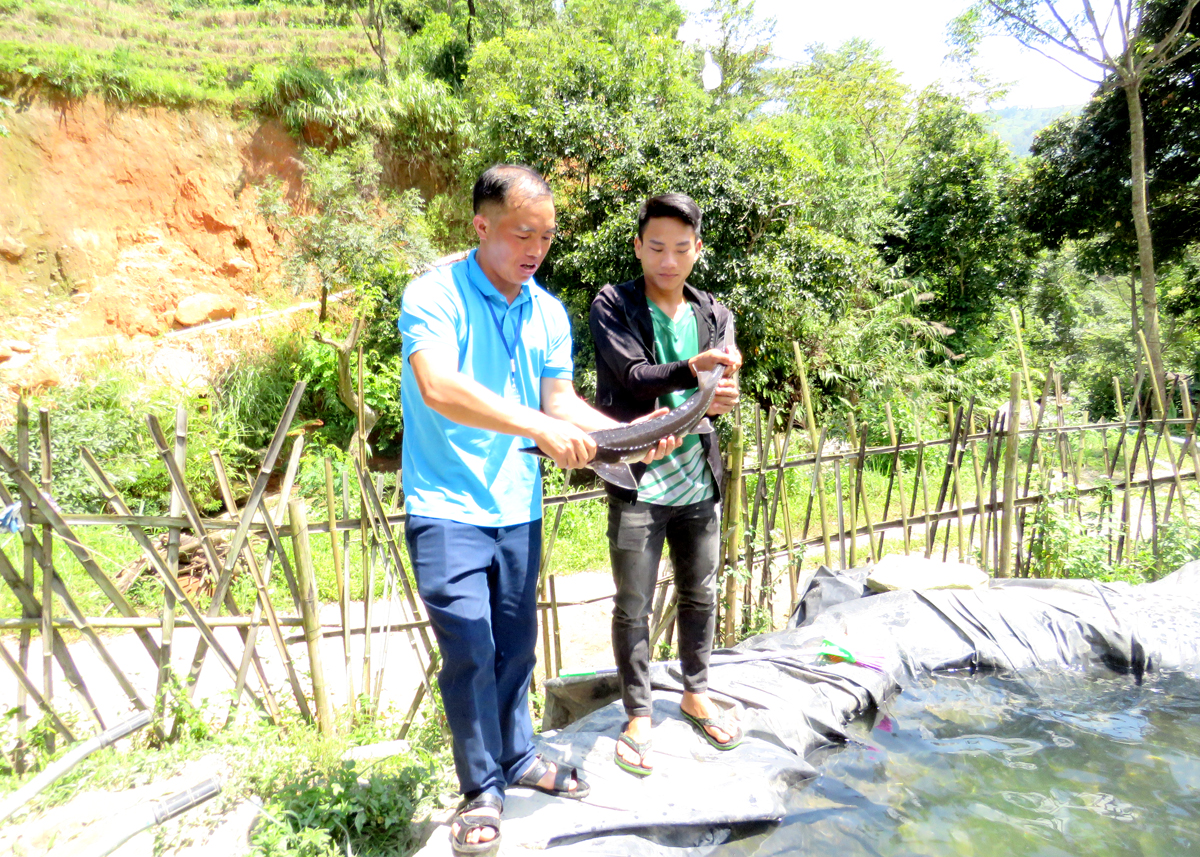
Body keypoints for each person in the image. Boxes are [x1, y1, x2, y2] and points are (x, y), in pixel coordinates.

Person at [399, 165, 677, 855]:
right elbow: (438, 385)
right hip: (444, 502)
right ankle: (480, 787)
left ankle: (520, 756)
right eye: (522, 232)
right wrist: (538, 425)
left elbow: (560, 409)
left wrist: (630, 436)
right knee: (470, 644)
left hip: (515, 504)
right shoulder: (433, 295)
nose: (536, 248)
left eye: (547, 237)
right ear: (481, 225)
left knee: (516, 645)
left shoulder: (547, 311)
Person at [588, 193, 743, 777]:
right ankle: (638, 711)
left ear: (697, 250)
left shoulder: (714, 314)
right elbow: (630, 377)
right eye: (656, 247)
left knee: (699, 592)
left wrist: (721, 392)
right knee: (632, 604)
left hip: (698, 480)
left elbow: (719, 392)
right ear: (638, 246)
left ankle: (696, 691)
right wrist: (696, 370)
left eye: (681, 248)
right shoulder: (614, 303)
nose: (669, 260)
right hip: (639, 480)